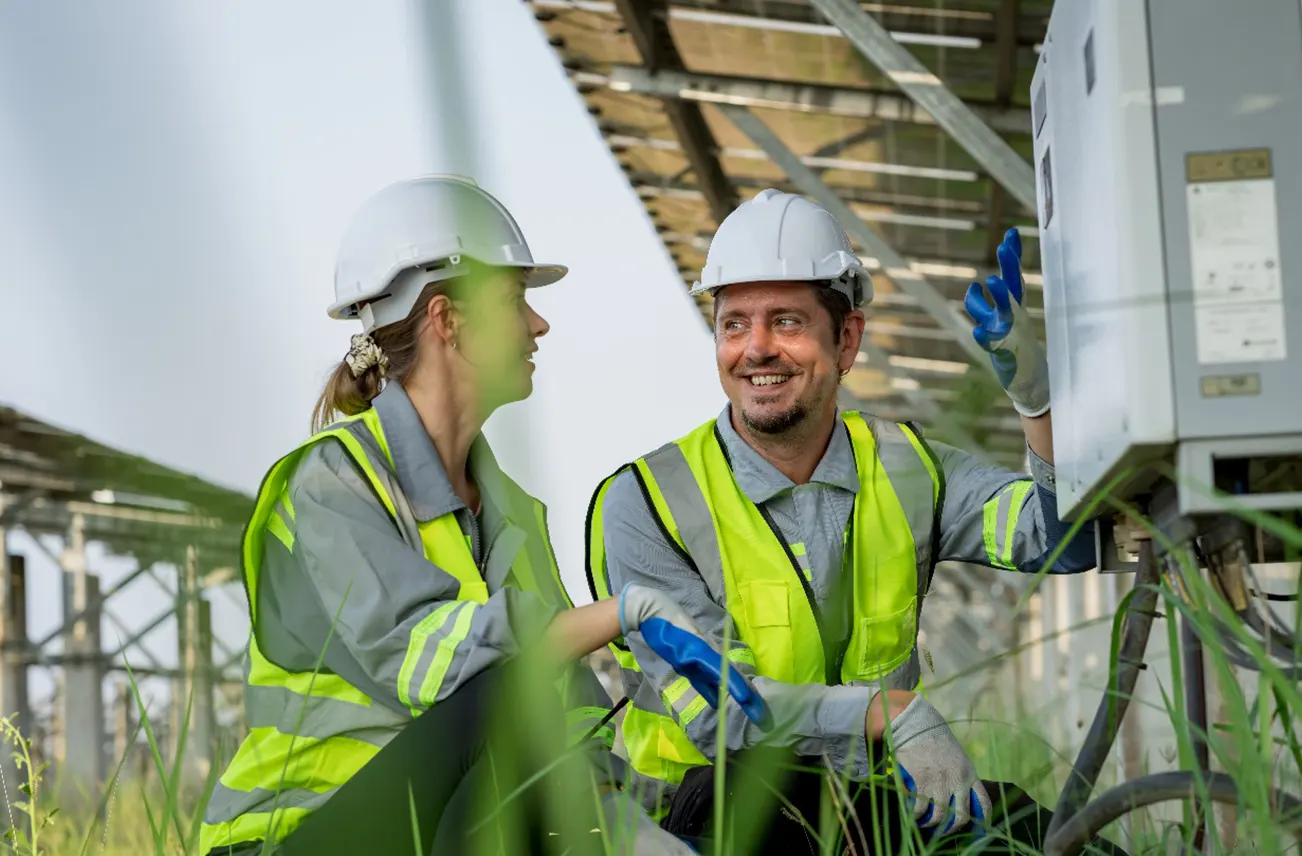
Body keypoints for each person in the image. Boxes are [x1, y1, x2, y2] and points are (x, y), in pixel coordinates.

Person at [584, 189, 1123, 854]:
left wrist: (1037, 401)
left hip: (876, 796)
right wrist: (890, 713)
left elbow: (1063, 542)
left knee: (1056, 843)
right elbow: (722, 717)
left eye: (786, 322)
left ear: (847, 338)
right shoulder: (648, 503)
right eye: (733, 324)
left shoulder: (907, 469)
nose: (755, 350)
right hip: (713, 809)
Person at [199, 176, 700, 856]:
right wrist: (620, 612)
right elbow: (437, 669)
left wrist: (663, 831)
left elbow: (575, 719)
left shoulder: (512, 513)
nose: (539, 324)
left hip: (434, 829)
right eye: (514, 300)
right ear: (447, 318)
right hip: (292, 838)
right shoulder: (329, 486)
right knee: (498, 709)